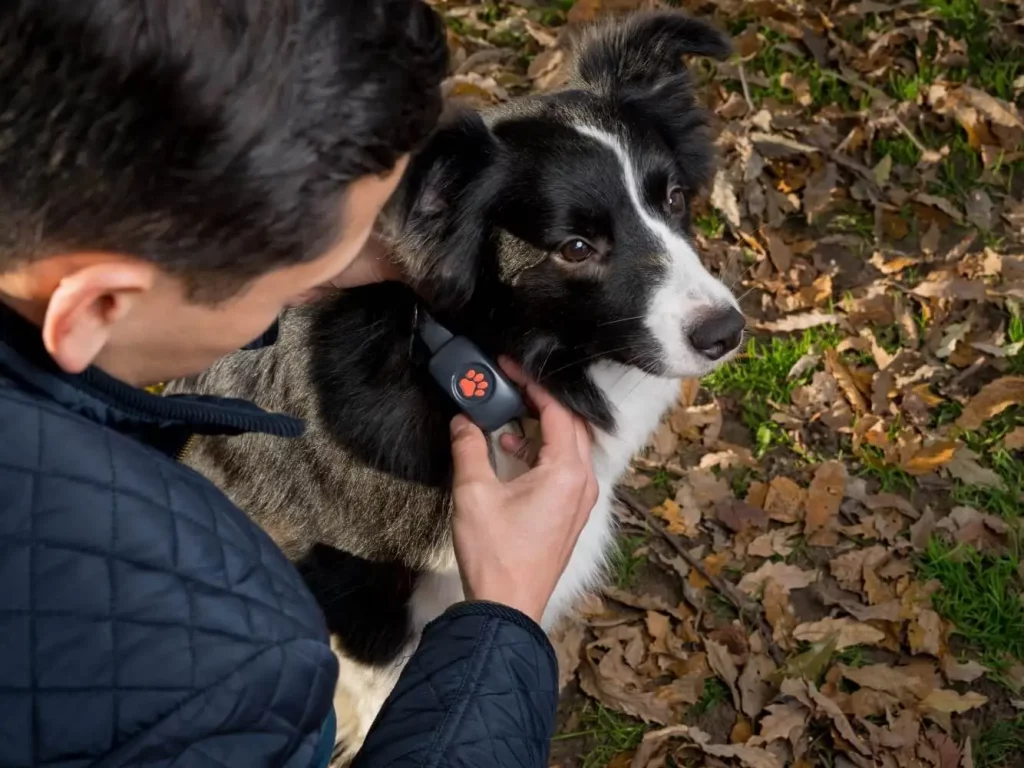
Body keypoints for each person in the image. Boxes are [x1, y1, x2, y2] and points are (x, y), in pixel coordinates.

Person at [0, 1, 598, 767]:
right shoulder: (226, 660)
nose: (330, 282)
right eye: (304, 279)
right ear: (99, 306)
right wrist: (503, 619)